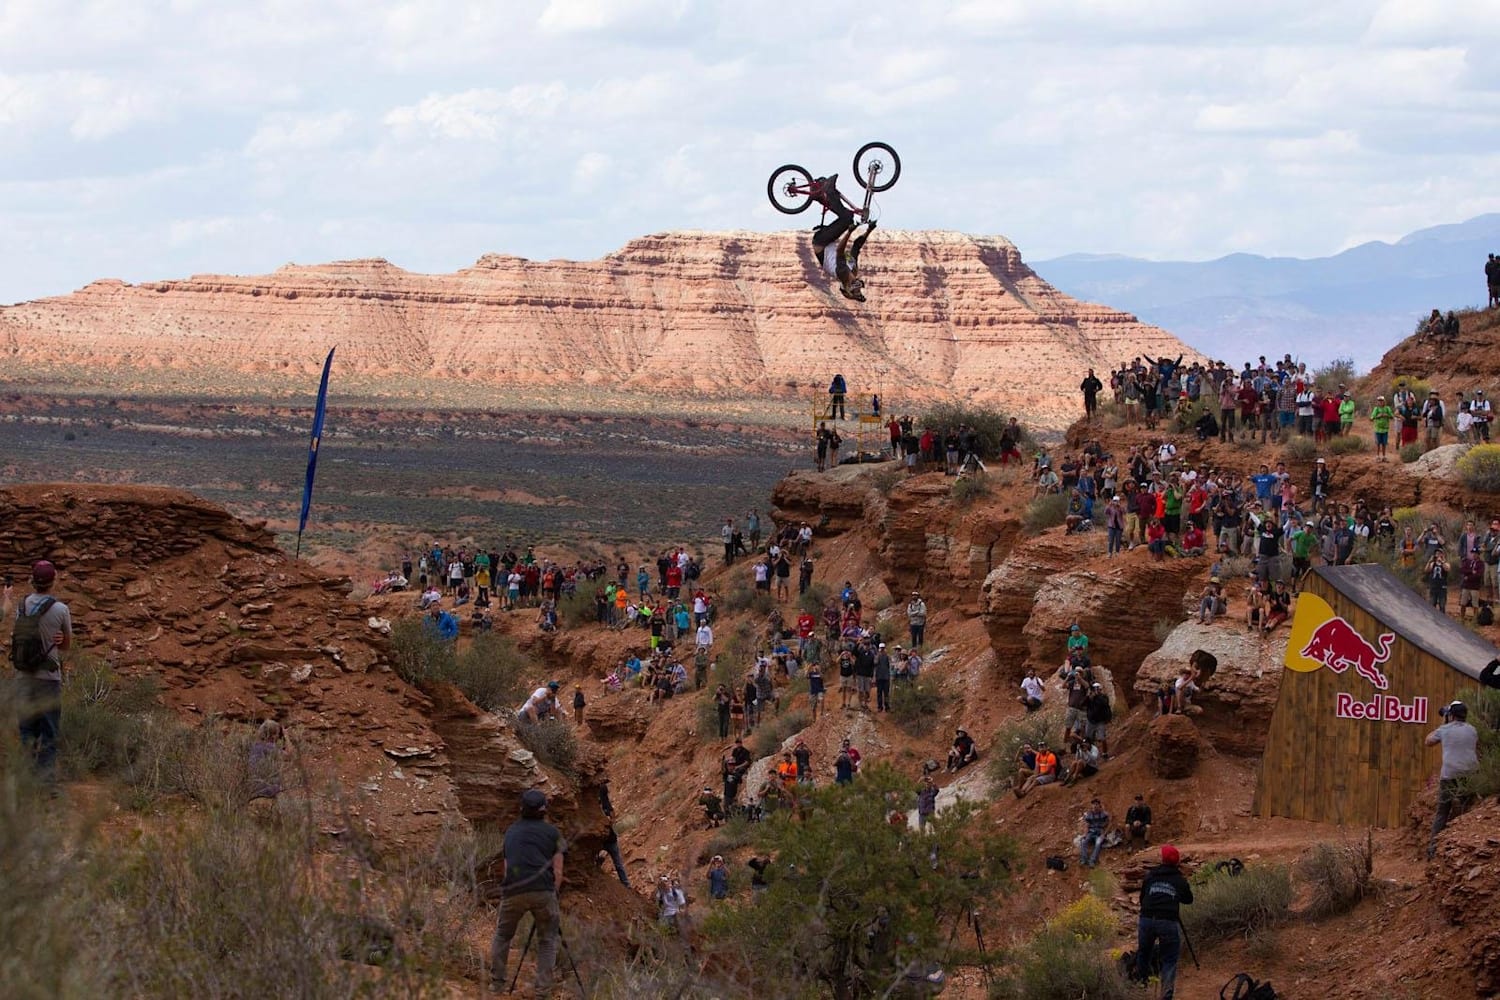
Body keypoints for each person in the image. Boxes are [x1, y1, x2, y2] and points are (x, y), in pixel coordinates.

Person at [489, 789, 563, 994]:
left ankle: (497, 984)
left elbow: (506, 866)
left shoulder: (511, 832)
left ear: (521, 809)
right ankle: (542, 991)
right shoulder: (553, 833)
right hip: (543, 890)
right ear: (543, 810)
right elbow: (558, 871)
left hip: (514, 890)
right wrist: (552, 894)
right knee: (547, 940)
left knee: (503, 936)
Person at [11, 560, 71, 785]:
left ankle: (25, 782)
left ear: (33, 581)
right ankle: (46, 786)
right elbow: (66, 646)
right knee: (49, 732)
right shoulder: (60, 609)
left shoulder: (22, 605)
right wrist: (58, 639)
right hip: (48, 679)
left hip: (23, 678)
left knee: (27, 731)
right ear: (53, 580)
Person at [1136, 845, 1193, 999]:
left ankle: (1141, 986)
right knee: (1169, 959)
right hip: (1168, 920)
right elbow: (1189, 900)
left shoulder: (1151, 876)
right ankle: (1166, 995)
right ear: (1177, 862)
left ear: (1162, 859)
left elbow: (1142, 898)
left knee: (1144, 952)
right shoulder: (1179, 879)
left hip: (1147, 918)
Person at [1426, 701, 1480, 859]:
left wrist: (1443, 724)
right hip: (1470, 774)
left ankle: (1433, 849)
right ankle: (1465, 847)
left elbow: (1428, 741)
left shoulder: (1444, 729)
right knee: (1466, 808)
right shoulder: (1473, 729)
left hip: (1449, 774)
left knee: (1443, 811)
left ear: (1451, 715)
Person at [1079, 798, 1110, 867]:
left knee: (1098, 843)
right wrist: (1085, 834)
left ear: (1099, 805)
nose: (1095, 806)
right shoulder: (1089, 814)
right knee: (1083, 841)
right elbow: (1087, 825)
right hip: (1091, 832)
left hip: (1099, 832)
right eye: (1093, 805)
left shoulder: (1104, 814)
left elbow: (1109, 824)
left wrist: (1104, 834)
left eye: (1096, 804)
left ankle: (1092, 860)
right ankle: (1084, 859)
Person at [601, 821, 630, 887]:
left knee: (618, 864)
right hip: (603, 843)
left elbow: (614, 825)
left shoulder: (609, 816)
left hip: (612, 843)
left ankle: (626, 883)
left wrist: (610, 823)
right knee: (600, 857)